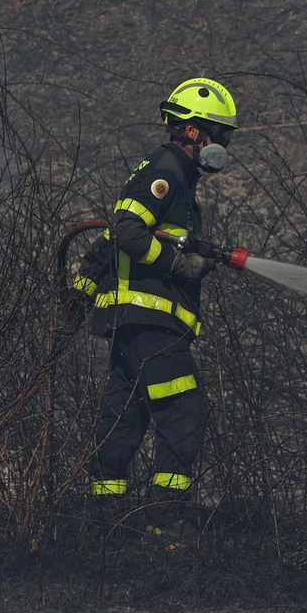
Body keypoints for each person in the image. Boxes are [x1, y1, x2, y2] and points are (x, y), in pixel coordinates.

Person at [86, 77, 238, 537]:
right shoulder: (167, 167)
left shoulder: (178, 178)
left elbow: (121, 237)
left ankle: (104, 525)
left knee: (126, 416)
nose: (223, 145)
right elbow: (128, 230)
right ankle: (166, 520)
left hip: (132, 323)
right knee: (185, 412)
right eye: (220, 133)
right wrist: (180, 266)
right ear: (193, 132)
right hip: (151, 321)